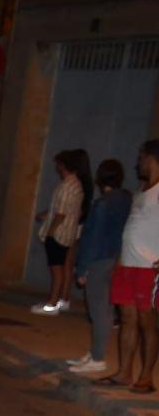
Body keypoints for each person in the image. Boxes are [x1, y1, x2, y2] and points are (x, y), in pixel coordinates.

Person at [104, 140, 159, 392]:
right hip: (128, 264)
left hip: (149, 266)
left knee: (147, 321)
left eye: (142, 158)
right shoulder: (142, 189)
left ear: (152, 158)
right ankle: (124, 372)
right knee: (127, 318)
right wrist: (119, 261)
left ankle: (146, 376)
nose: (138, 162)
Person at [69, 157, 129, 377]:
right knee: (106, 310)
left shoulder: (103, 204)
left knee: (99, 311)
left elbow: (92, 237)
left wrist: (82, 268)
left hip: (98, 260)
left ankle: (97, 358)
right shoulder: (125, 200)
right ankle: (95, 352)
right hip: (116, 258)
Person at [33, 148, 90, 315]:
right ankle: (60, 300)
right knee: (63, 268)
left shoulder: (67, 186)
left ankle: (52, 303)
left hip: (59, 233)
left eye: (58, 164)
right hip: (68, 232)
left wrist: (50, 231)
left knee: (56, 269)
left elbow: (61, 213)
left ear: (63, 165)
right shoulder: (76, 184)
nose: (56, 168)